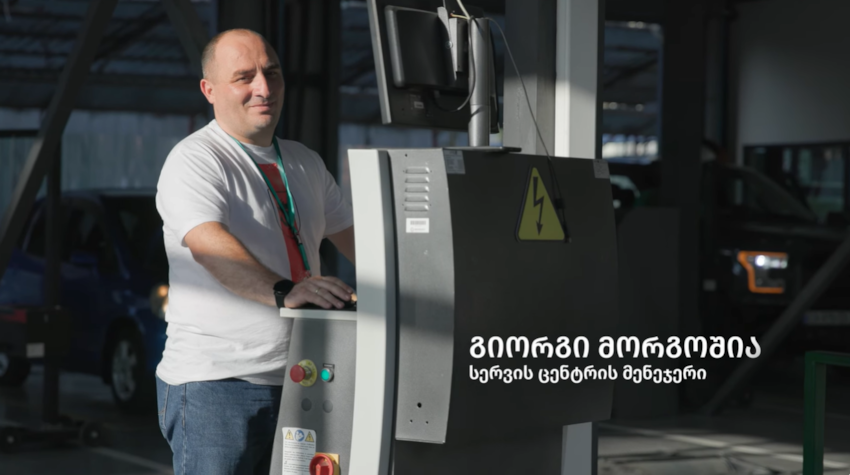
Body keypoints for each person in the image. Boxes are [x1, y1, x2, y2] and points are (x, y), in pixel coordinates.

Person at [154, 29, 355, 475]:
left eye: (272, 73)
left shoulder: (305, 161)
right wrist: (285, 291)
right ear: (209, 90)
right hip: (218, 383)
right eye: (244, 77)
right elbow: (209, 246)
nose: (264, 88)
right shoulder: (196, 159)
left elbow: (359, 241)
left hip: (304, 376)